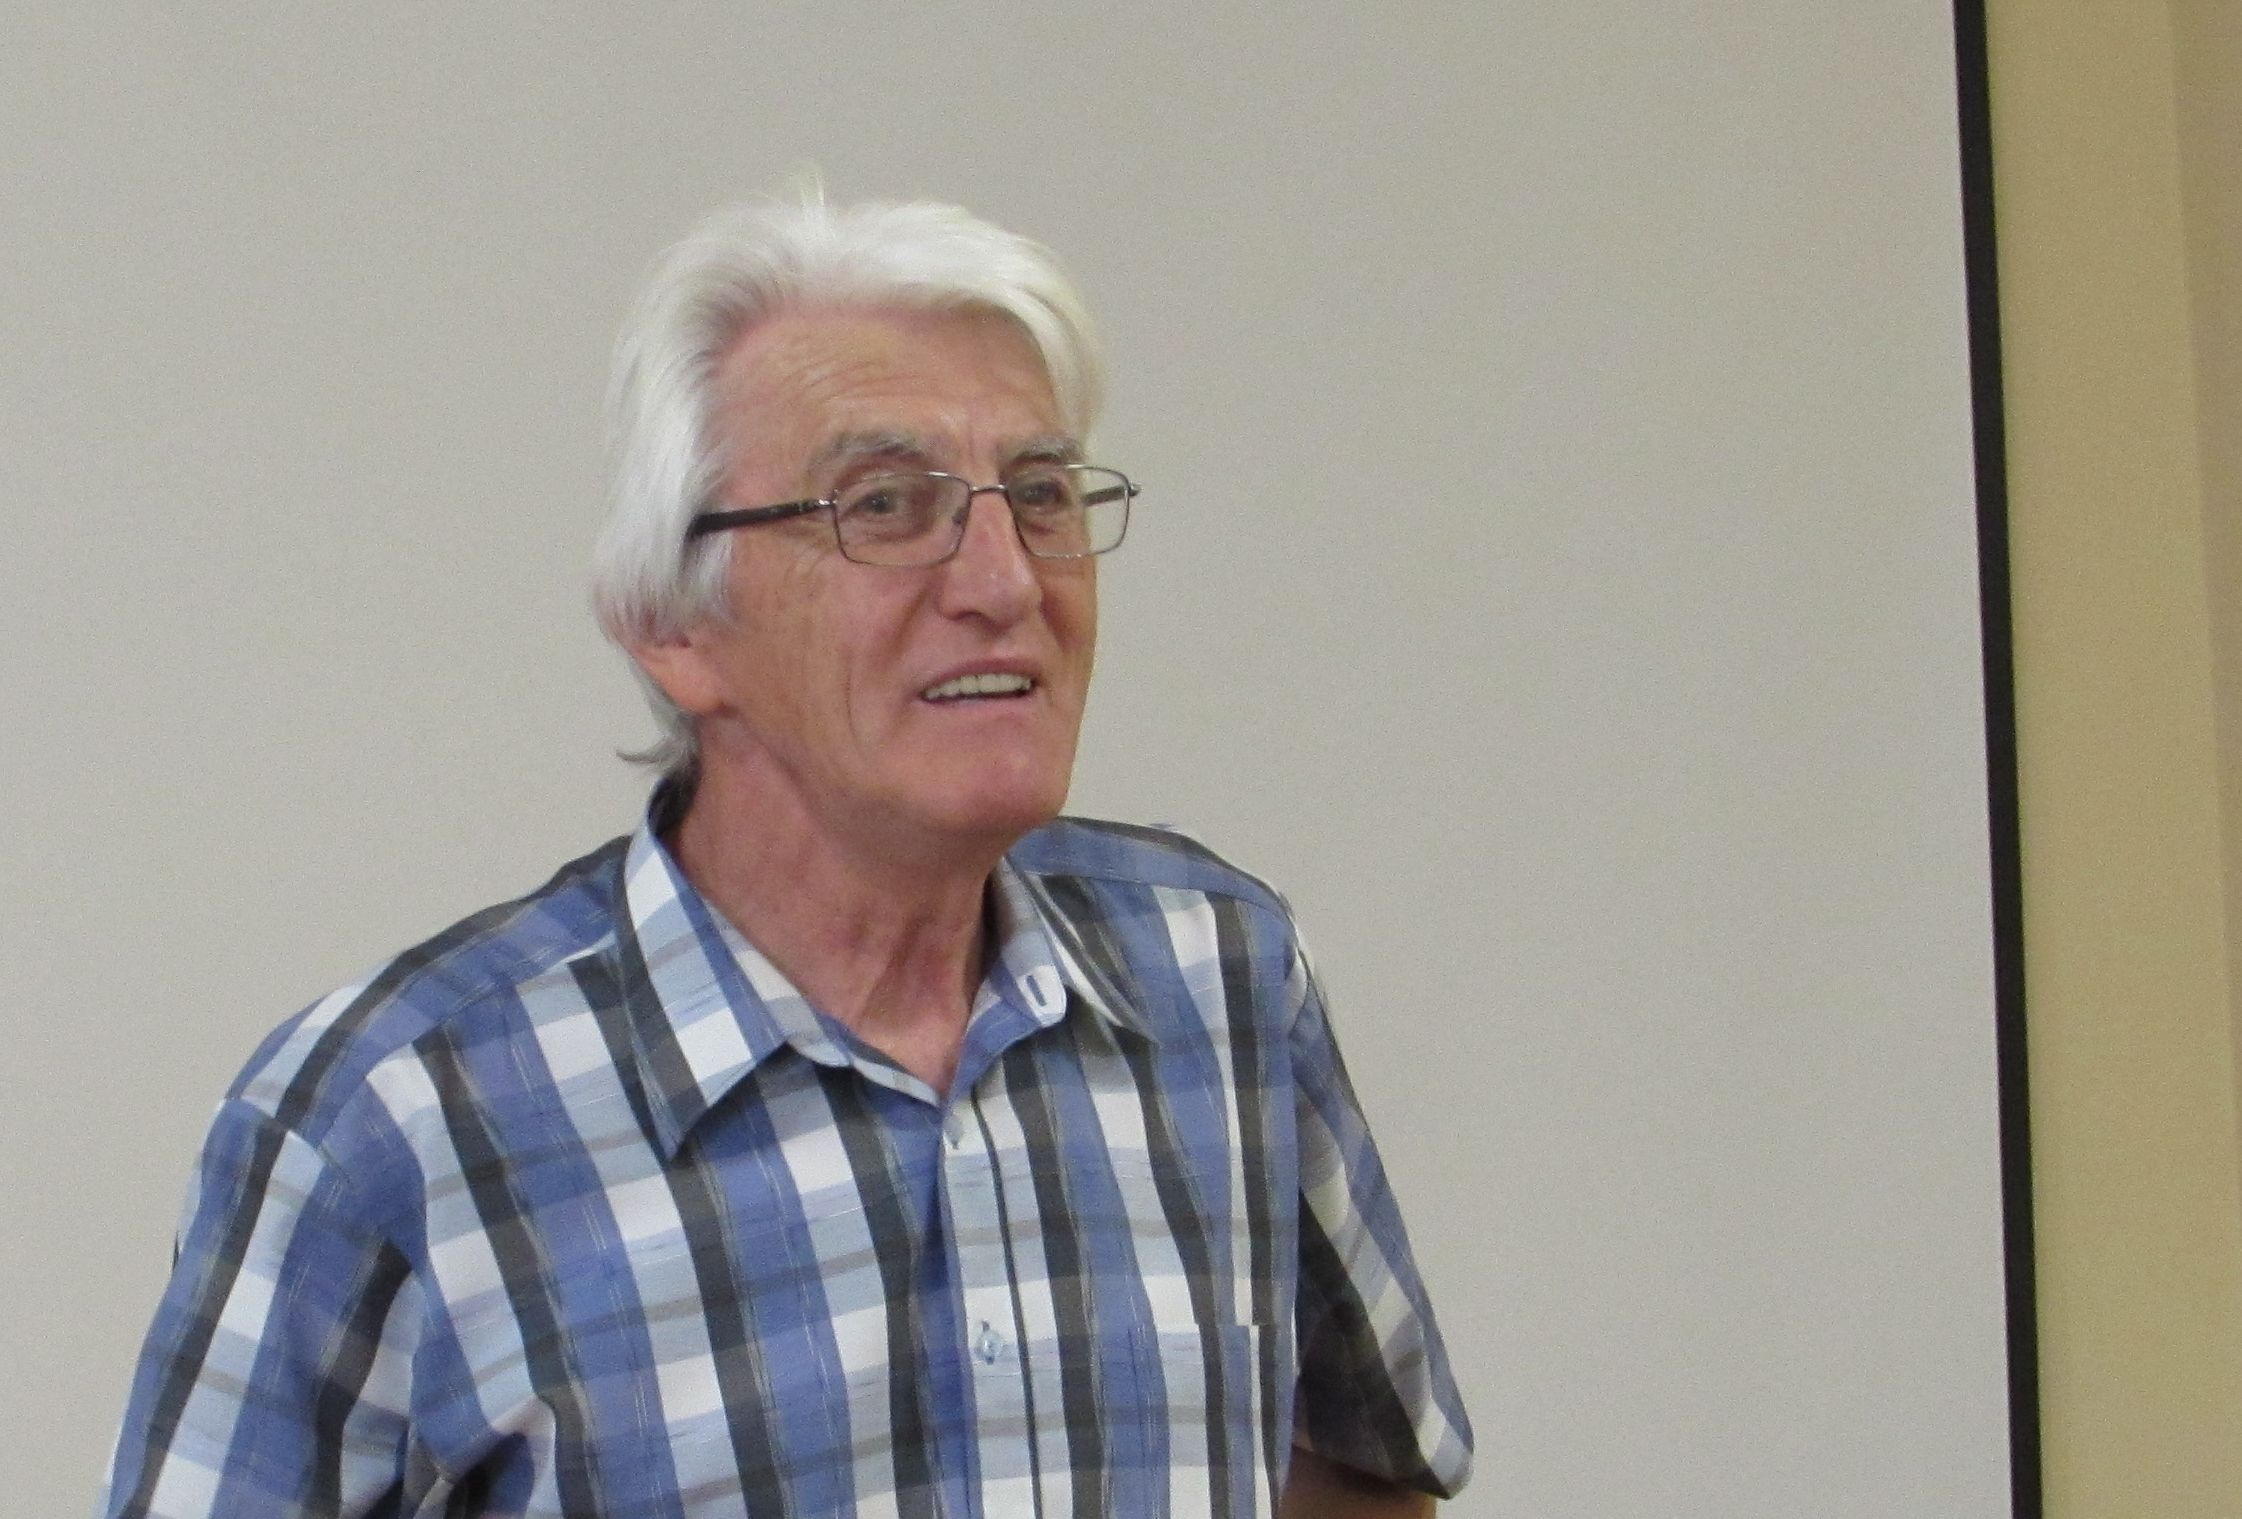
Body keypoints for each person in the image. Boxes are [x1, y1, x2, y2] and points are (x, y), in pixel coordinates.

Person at [99, 194, 1473, 1519]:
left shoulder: (1218, 983)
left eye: (1042, 494)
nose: (1006, 580)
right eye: (885, 506)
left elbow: (1364, 1466)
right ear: (671, 625)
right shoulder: (395, 1123)